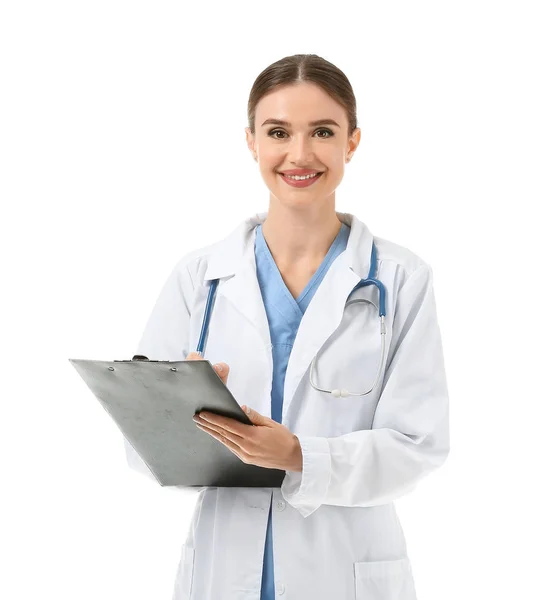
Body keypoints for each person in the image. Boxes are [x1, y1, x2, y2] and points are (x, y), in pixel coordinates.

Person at [124, 53, 450, 600]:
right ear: (251, 140)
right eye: (278, 132)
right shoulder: (200, 277)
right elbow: (142, 449)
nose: (299, 154)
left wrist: (300, 456)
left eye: (323, 131)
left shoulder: (400, 280)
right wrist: (184, 408)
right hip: (223, 569)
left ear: (352, 142)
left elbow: (418, 447)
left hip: (343, 568)